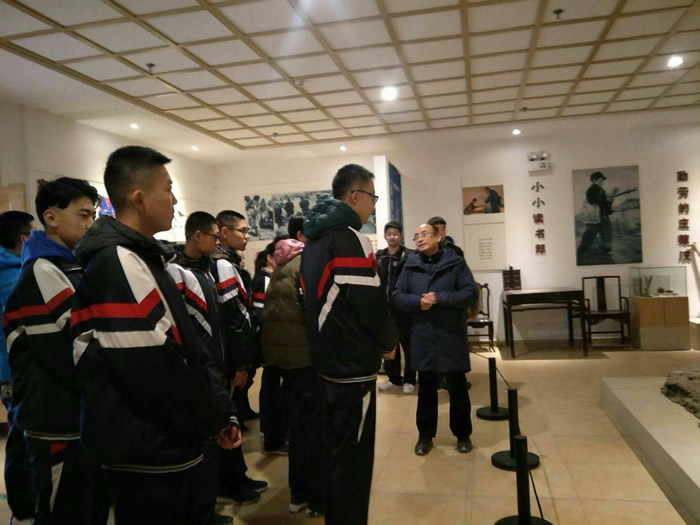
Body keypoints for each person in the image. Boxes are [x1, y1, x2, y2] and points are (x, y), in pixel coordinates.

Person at [71, 146, 240, 524]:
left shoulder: (142, 257)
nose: (175, 200)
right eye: (167, 189)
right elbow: (153, 368)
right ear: (139, 198)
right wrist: (211, 417)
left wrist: (219, 411)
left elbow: (188, 345)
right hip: (151, 447)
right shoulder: (118, 262)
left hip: (170, 439)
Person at [3, 177, 106, 523]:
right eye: (83, 215)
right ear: (51, 217)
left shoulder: (69, 264)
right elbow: (69, 349)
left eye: (93, 216)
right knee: (66, 510)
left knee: (88, 506)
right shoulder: (42, 270)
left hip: (77, 414)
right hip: (57, 418)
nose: (90, 224)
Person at [300, 163, 398, 525]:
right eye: (372, 197)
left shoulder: (313, 241)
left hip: (325, 362)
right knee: (354, 464)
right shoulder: (350, 238)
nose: (373, 205)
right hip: (352, 367)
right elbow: (369, 304)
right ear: (354, 196)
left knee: (334, 454)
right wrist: (389, 342)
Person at [167, 212, 267, 518]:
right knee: (212, 431)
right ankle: (218, 492)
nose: (217, 243)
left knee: (227, 422)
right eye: (213, 236)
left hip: (218, 361)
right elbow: (191, 326)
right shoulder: (178, 271)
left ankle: (234, 480)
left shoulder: (206, 269)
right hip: (204, 365)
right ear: (198, 236)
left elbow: (224, 320)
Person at [393, 223, 478, 456]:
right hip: (423, 335)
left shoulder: (455, 262)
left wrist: (439, 298)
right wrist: (417, 302)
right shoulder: (410, 264)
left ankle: (463, 435)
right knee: (426, 387)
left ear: (439, 237)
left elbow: (470, 293)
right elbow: (397, 296)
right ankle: (425, 436)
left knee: (457, 387)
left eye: (424, 234)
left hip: (450, 335)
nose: (419, 239)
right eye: (416, 236)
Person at [262, 216, 324, 518]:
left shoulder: (281, 264)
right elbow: (315, 312)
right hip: (307, 359)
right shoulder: (307, 265)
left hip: (285, 360)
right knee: (315, 430)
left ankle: (298, 494)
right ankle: (317, 498)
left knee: (299, 428)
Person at [0, 210, 35, 524]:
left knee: (20, 434)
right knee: (23, 438)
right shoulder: (14, 276)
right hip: (15, 370)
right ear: (23, 238)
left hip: (7, 370)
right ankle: (24, 509)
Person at [212, 210, 258, 430]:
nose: (246, 236)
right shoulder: (223, 265)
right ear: (224, 232)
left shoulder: (228, 261)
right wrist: (240, 363)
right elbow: (232, 315)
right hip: (232, 350)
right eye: (242, 230)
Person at [254, 240, 290, 456]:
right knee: (272, 388)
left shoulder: (274, 277)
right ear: (270, 257)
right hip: (271, 343)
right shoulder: (264, 279)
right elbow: (260, 314)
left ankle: (275, 433)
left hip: (276, 343)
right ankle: (271, 437)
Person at [376, 221, 416, 394]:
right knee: (389, 344)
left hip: (404, 308)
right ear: (385, 236)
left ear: (401, 235)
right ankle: (393, 379)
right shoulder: (379, 256)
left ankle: (409, 379)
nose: (392, 236)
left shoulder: (408, 256)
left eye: (395, 233)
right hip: (385, 309)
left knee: (408, 345)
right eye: (389, 233)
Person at [577, 171, 614, 257]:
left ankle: (606, 250)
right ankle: (582, 251)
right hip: (594, 216)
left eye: (602, 180)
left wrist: (609, 200)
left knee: (606, 233)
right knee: (590, 234)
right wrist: (606, 200)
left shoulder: (601, 190)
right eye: (600, 180)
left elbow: (604, 204)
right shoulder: (591, 190)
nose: (602, 182)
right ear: (594, 180)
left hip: (603, 215)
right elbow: (592, 201)